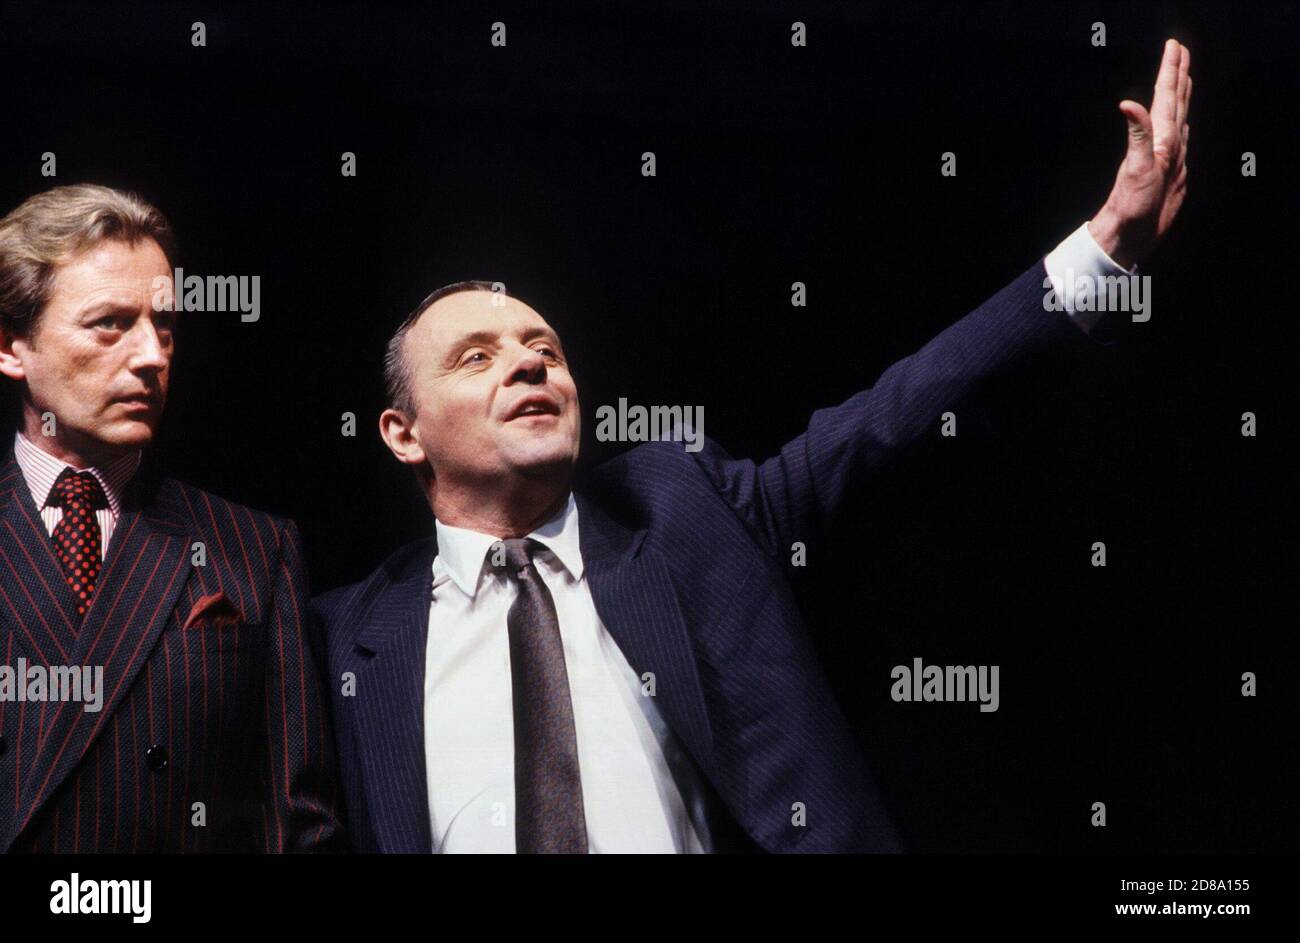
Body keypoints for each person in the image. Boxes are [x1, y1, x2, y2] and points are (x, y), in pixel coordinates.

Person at [313, 40, 1192, 853]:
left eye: (546, 349)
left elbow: (896, 419)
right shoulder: (342, 638)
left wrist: (1105, 250)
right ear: (403, 432)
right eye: (478, 358)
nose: (530, 367)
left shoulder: (684, 509)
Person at [0, 184, 342, 852]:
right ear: (14, 346)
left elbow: (299, 824)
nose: (153, 355)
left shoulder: (252, 546)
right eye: (110, 324)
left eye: (164, 326)